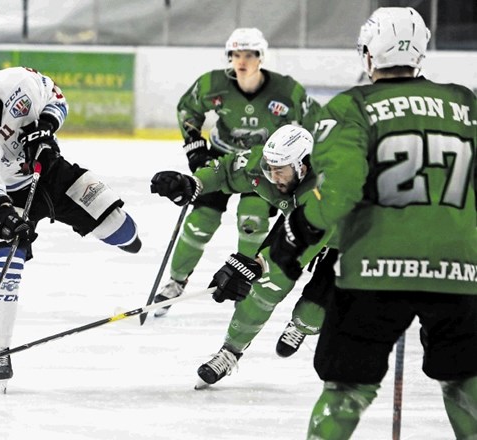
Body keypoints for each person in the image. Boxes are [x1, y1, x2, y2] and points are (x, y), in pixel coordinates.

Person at [265, 8, 477, 439]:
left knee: (346, 388)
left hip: (372, 270)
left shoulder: (352, 106)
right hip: (459, 269)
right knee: (466, 378)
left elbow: (339, 190)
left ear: (368, 55)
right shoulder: (466, 103)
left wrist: (295, 236)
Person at [0, 64, 142, 389]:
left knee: (122, 229)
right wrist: (4, 211)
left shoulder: (17, 83)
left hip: (49, 173)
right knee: (5, 271)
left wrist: (46, 127)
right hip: (7, 198)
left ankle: (121, 235)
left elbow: (55, 96)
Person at [152, 27, 320, 318]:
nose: (242, 60)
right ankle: (176, 281)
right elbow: (187, 108)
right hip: (223, 157)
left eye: (250, 54)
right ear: (229, 56)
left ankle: (248, 277)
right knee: (201, 220)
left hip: (267, 164)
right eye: (236, 54)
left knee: (251, 220)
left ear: (261, 57)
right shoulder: (212, 83)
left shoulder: (287, 90)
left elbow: (316, 122)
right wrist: (195, 148)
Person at [151, 124, 336, 388]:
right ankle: (229, 352)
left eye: (280, 171)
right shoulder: (266, 165)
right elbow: (226, 171)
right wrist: (194, 183)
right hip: (300, 223)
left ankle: (302, 326)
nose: (273, 177)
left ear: (303, 166)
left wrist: (256, 265)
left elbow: (304, 241)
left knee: (311, 314)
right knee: (266, 288)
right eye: (269, 169)